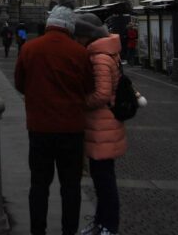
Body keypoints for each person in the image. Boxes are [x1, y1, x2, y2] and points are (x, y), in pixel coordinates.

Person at [14, 5, 93, 235]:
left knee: (39, 185)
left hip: (40, 128)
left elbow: (20, 83)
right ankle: (69, 231)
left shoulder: (30, 48)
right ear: (70, 26)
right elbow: (89, 86)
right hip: (72, 130)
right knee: (71, 187)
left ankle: (38, 231)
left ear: (49, 24)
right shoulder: (79, 52)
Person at [74, 13, 127, 235]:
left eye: (79, 36)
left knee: (104, 181)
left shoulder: (100, 57)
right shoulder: (105, 53)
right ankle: (100, 221)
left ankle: (109, 225)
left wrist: (80, 102)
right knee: (102, 178)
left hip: (102, 127)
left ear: (88, 35)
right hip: (102, 126)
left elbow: (102, 94)